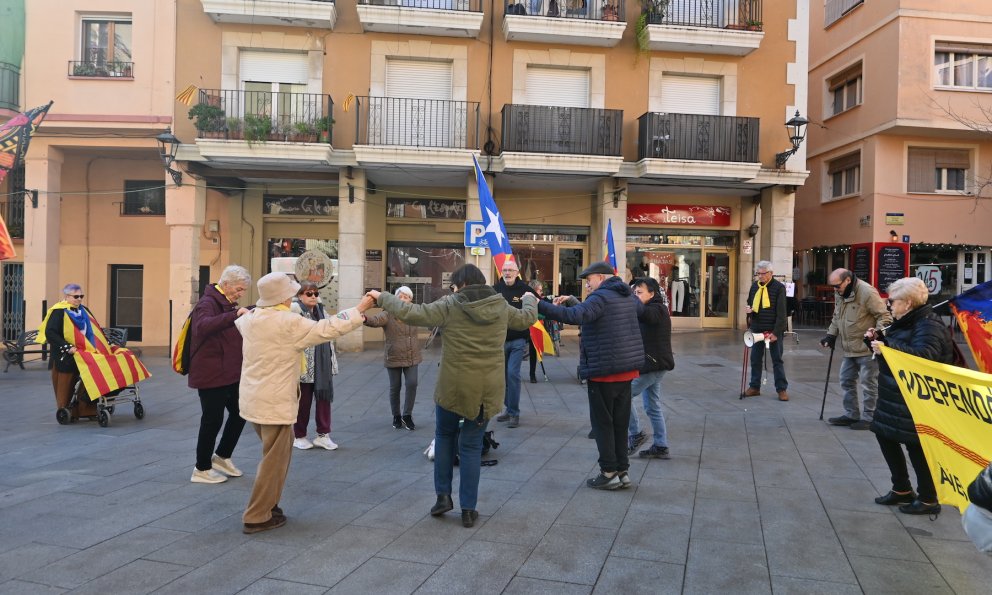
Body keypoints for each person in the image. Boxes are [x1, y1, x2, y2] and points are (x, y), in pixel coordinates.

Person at [366, 264, 537, 528]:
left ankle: (443, 497)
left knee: (445, 438)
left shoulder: (451, 305)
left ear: (462, 285)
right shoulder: (501, 307)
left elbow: (411, 312)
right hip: (484, 392)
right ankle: (469, 509)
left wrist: (381, 296)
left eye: (455, 286)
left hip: (452, 388)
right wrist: (528, 298)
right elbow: (526, 318)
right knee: (470, 447)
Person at [236, 272, 374, 534]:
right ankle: (257, 515)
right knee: (273, 462)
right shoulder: (288, 322)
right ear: (284, 297)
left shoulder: (252, 319)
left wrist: (247, 310)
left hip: (253, 400)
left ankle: (270, 506)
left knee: (273, 456)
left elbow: (240, 320)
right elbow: (328, 328)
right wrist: (359, 309)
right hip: (275, 403)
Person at [538, 261, 644, 490]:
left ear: (602, 278)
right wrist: (576, 302)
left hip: (604, 371)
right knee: (620, 422)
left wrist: (539, 304)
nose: (587, 285)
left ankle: (608, 472)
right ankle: (622, 470)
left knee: (602, 424)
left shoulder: (600, 297)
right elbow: (599, 314)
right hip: (626, 370)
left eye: (589, 280)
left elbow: (575, 316)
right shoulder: (626, 295)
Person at [867, 277, 954, 515]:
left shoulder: (929, 325)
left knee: (916, 445)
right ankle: (902, 489)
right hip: (896, 394)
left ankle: (928, 498)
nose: (889, 305)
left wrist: (887, 347)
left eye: (892, 301)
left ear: (907, 303)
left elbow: (925, 357)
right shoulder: (906, 321)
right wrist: (876, 342)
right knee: (885, 435)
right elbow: (895, 350)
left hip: (916, 398)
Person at [38, 283, 148, 422]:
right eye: (75, 296)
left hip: (88, 352)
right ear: (66, 297)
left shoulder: (84, 310)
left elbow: (96, 329)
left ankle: (90, 403)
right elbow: (51, 333)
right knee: (70, 383)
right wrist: (68, 347)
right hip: (67, 355)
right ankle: (70, 409)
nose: (79, 299)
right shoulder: (58, 311)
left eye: (81, 296)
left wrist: (107, 343)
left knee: (118, 362)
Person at [188, 265, 252, 484]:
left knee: (241, 412)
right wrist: (235, 314)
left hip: (229, 372)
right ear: (226, 284)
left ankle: (222, 456)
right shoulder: (207, 303)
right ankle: (201, 468)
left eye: (243, 290)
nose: (241, 294)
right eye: (239, 289)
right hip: (211, 373)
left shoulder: (226, 302)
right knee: (212, 420)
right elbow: (203, 327)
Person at [820, 268, 891, 430]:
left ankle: (869, 417)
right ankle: (851, 414)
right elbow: (837, 316)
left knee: (868, 383)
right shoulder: (840, 293)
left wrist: (876, 335)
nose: (835, 290)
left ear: (847, 280)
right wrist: (830, 335)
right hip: (849, 348)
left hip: (866, 348)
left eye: (837, 286)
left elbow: (885, 316)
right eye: (833, 287)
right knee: (846, 380)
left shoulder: (867, 292)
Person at [626, 277, 675, 459]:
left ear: (652, 293)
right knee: (652, 406)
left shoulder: (657, 309)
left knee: (624, 395)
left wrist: (629, 298)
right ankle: (661, 446)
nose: (635, 296)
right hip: (652, 364)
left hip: (654, 365)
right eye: (634, 293)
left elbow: (647, 316)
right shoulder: (647, 309)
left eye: (639, 293)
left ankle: (636, 433)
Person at [364, 286, 423, 430]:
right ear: (395, 298)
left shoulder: (415, 312)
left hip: (412, 355)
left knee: (412, 384)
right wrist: (364, 317)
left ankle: (407, 415)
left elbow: (431, 316)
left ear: (411, 300)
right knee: (395, 387)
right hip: (394, 355)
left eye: (406, 297)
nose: (403, 299)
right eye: (400, 296)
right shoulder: (388, 314)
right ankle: (396, 415)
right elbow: (375, 321)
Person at [291, 282, 341, 451]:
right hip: (304, 367)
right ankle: (299, 436)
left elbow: (331, 328)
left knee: (324, 400)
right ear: (299, 296)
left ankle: (323, 435)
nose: (313, 296)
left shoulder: (321, 310)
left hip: (322, 366)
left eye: (315, 293)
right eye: (308, 293)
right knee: (303, 403)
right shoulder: (294, 312)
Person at [494, 259, 535, 428]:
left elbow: (538, 303)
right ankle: (508, 409)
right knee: (503, 378)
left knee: (512, 374)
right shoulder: (495, 290)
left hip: (518, 340)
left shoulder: (525, 290)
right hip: (500, 341)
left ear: (517, 272)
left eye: (510, 270)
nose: (507, 273)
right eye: (504, 270)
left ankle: (514, 413)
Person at [743, 260, 790, 401]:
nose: (761, 276)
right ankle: (754, 387)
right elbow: (750, 303)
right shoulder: (754, 287)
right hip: (757, 328)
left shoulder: (779, 288)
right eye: (759, 274)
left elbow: (782, 313)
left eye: (764, 274)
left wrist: (776, 333)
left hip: (773, 329)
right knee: (755, 359)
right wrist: (749, 310)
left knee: (777, 360)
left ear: (771, 273)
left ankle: (781, 389)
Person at [526, 279, 552, 384]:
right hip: (527, 327)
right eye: (540, 290)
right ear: (535, 290)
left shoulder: (540, 299)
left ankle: (532, 374)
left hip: (536, 327)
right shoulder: (528, 298)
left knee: (534, 351)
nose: (541, 292)